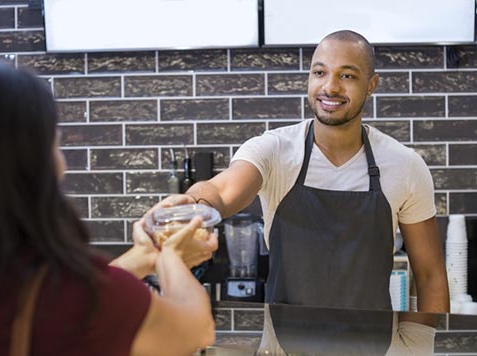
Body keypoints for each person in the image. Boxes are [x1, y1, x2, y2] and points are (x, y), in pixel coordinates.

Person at [0, 58, 217, 356]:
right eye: (55, 143)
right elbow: (192, 330)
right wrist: (170, 257)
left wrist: (145, 255)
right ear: (32, 162)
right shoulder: (82, 298)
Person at [154, 30, 449, 313]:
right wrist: (192, 206)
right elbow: (221, 190)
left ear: (371, 85)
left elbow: (430, 275)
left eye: (347, 76)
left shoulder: (405, 166)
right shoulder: (275, 150)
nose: (330, 87)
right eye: (320, 73)